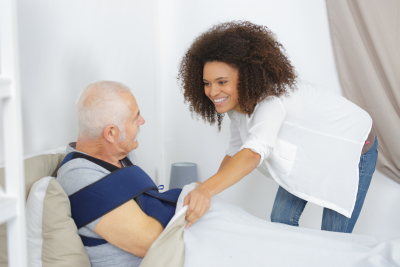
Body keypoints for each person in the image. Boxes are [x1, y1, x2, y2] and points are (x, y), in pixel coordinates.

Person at [178, 21, 378, 233]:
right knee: (281, 217)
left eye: (221, 82)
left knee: (334, 234)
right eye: (207, 83)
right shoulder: (236, 107)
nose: (213, 92)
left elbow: (252, 154)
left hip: (353, 142)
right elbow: (235, 151)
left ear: (245, 77)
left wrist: (207, 191)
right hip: (313, 146)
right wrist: (206, 188)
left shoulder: (272, 100)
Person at [57, 81, 179, 267]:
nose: (142, 121)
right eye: (135, 118)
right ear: (111, 133)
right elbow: (152, 241)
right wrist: (179, 201)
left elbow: (151, 205)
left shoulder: (122, 156)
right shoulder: (78, 176)